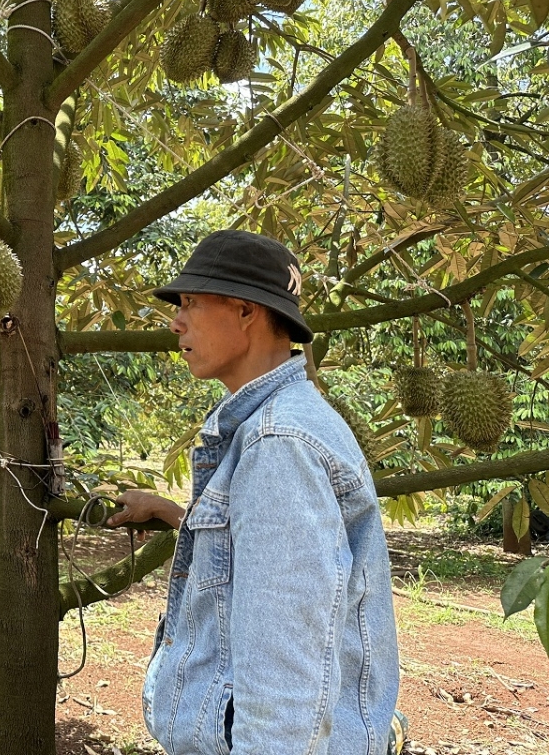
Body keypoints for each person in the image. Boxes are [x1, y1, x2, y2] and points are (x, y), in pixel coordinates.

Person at [107, 229, 401, 755]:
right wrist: (173, 512)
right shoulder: (283, 424)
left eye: (192, 303)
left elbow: (285, 673)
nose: (177, 321)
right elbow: (259, 547)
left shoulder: (278, 444)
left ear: (246, 313)